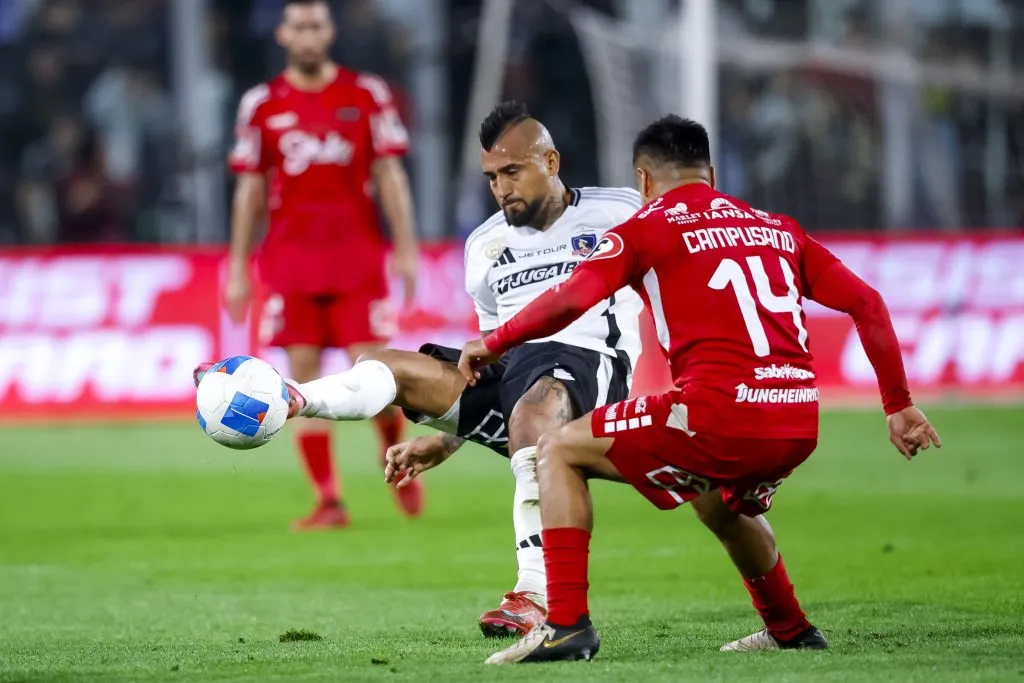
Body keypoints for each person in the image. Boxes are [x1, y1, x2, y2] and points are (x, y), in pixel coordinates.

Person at [456, 115, 942, 664]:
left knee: (559, 449)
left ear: (643, 180)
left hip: (718, 414)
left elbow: (570, 300)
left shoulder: (647, 227)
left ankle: (565, 627)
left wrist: (495, 342)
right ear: (709, 172)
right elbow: (868, 304)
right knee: (715, 500)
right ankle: (790, 629)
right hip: (798, 420)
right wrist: (898, 406)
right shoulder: (776, 227)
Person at [200, 100, 646, 638]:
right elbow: (494, 357)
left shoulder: (622, 212)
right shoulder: (486, 245)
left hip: (600, 371)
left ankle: (535, 592)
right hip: (526, 382)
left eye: (513, 172)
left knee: (535, 402)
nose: (502, 189)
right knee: (388, 365)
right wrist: (451, 437)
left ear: (551, 162)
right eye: (491, 178)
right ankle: (290, 398)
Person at [225, 0, 420, 529]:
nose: (308, 34)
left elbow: (389, 176)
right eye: (299, 26)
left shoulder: (366, 94)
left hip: (356, 259)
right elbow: (249, 188)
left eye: (317, 24)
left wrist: (405, 247)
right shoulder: (262, 105)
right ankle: (329, 501)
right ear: (284, 35)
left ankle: (399, 463)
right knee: (302, 384)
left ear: (328, 32)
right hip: (290, 264)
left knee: (375, 376)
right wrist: (238, 265)